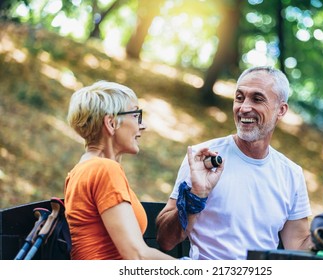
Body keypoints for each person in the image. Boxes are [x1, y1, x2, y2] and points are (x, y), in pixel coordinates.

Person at [155, 66, 323, 260]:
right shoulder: (202, 159)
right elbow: (165, 240)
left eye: (257, 99)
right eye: (239, 97)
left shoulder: (291, 174)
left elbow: (299, 248)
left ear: (281, 110)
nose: (244, 107)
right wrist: (196, 196)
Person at [64, 81, 223, 260]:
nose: (143, 125)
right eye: (136, 115)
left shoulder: (81, 170)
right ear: (111, 123)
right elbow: (137, 255)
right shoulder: (105, 169)